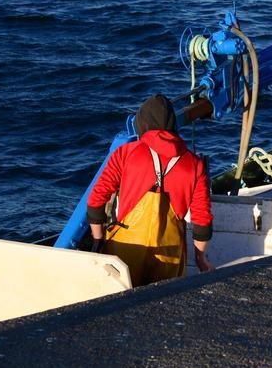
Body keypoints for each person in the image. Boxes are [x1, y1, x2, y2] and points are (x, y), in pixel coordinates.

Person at [86, 94, 214, 285]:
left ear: (142, 122)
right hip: (169, 253)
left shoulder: (125, 153)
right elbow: (202, 220)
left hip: (126, 249)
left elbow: (96, 199)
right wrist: (200, 259)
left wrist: (97, 241)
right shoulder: (194, 164)